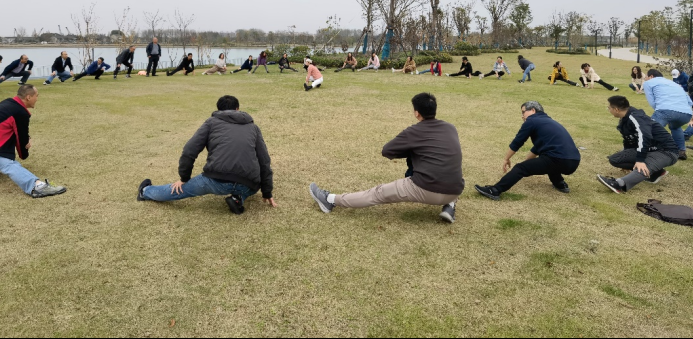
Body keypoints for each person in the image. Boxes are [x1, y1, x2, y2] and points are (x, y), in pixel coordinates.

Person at [309, 93, 463, 223]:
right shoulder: (450, 128)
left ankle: (329, 200)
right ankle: (450, 205)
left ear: (417, 113)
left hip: (426, 189)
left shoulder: (414, 131)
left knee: (377, 193)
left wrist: (411, 152)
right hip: (455, 190)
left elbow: (387, 151)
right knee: (449, 169)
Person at [137, 95, 276, 214]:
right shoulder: (253, 127)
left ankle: (145, 191)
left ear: (218, 109)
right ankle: (238, 198)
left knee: (181, 190)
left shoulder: (211, 122)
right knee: (254, 183)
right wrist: (267, 191)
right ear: (237, 109)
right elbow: (264, 161)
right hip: (248, 183)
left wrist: (184, 178)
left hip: (215, 180)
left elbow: (189, 150)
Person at [0, 84, 66, 198]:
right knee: (9, 165)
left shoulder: (10, 103)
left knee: (3, 144)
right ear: (28, 97)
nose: (37, 98)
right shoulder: (19, 112)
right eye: (36, 96)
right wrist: (25, 150)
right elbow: (22, 139)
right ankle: (36, 187)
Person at [475, 101, 581, 200]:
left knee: (521, 167)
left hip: (557, 159)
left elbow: (518, 142)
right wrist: (528, 164)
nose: (522, 115)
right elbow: (536, 149)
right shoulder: (549, 122)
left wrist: (507, 159)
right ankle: (560, 183)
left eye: (523, 112)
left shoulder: (532, 120)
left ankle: (495, 190)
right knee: (546, 160)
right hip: (574, 161)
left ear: (533, 110)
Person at [597, 95, 678, 193]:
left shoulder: (636, 117)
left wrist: (640, 160)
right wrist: (628, 156)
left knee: (643, 166)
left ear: (616, 109)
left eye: (609, 108)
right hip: (649, 149)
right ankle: (656, 172)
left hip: (665, 151)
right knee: (615, 159)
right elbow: (629, 140)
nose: (608, 109)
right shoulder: (624, 119)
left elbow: (645, 137)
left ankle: (619, 184)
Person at [642, 69, 693, 160]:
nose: (645, 78)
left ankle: (645, 151)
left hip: (665, 110)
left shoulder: (649, 83)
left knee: (650, 128)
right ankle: (681, 151)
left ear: (651, 76)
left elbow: (652, 102)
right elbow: (690, 102)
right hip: (686, 113)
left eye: (646, 76)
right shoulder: (674, 84)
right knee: (676, 127)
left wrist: (660, 112)